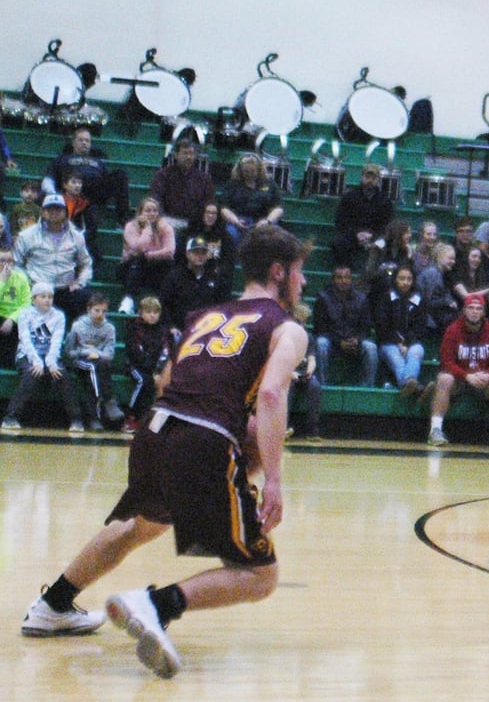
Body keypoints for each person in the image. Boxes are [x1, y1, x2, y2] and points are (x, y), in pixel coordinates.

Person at [17, 224, 308, 679]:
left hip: (155, 428)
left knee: (140, 524)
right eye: (299, 272)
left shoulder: (205, 315)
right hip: (203, 439)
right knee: (259, 575)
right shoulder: (286, 327)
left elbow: (167, 381)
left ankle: (52, 605)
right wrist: (272, 477)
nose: (303, 282)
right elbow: (271, 397)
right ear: (278, 272)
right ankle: (155, 605)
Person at [427, 293, 489, 448]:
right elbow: (447, 362)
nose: (474, 311)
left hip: (483, 382)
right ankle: (435, 431)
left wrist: (488, 375)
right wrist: (467, 376)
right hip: (459, 381)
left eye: (478, 308)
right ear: (464, 310)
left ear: (484, 312)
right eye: (471, 308)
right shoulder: (452, 330)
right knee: (444, 379)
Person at [1, 282, 81, 431]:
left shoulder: (59, 316)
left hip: (50, 355)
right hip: (26, 354)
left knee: (62, 375)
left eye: (50, 296)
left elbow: (57, 342)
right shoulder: (25, 314)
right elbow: (25, 340)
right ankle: (10, 416)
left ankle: (76, 419)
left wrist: (50, 363)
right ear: (33, 299)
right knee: (32, 373)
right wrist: (37, 361)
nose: (47, 300)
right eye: (43, 296)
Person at [13, 193, 94, 321]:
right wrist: (28, 282)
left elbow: (86, 263)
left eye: (58, 209)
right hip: (37, 288)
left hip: (66, 289)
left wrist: (80, 282)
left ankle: (75, 338)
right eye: (49, 209)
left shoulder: (76, 236)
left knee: (87, 298)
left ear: (65, 212)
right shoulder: (27, 235)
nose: (54, 212)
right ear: (43, 212)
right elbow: (16, 264)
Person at [42, 126, 129, 224]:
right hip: (73, 190)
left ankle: (123, 218)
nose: (84, 143)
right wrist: (54, 194)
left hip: (95, 192)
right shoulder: (62, 159)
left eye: (87, 141)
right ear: (73, 142)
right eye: (81, 140)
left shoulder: (98, 161)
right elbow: (49, 179)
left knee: (120, 175)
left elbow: (106, 178)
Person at [66, 292, 126, 430]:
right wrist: (86, 352)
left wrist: (97, 354)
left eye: (103, 311)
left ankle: (94, 418)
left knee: (94, 375)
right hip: (80, 361)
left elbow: (109, 355)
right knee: (94, 369)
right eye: (97, 310)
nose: (100, 314)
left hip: (99, 364)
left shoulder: (110, 328)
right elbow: (69, 353)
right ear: (88, 309)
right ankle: (109, 401)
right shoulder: (78, 326)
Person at [313, 265, 379, 387]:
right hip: (331, 341)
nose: (343, 281)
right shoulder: (323, 298)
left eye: (347, 277)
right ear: (333, 280)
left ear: (351, 279)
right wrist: (339, 342)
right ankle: (321, 386)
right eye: (339, 278)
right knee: (321, 343)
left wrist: (357, 340)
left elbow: (366, 327)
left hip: (354, 342)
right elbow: (319, 328)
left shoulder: (362, 299)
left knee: (371, 348)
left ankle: (366, 389)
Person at [372, 264, 428, 396]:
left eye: (409, 279)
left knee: (417, 352)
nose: (405, 282)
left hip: (411, 342)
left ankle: (408, 383)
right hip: (388, 343)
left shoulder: (419, 299)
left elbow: (420, 327)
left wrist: (407, 343)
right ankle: (415, 388)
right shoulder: (386, 298)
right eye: (402, 278)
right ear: (395, 279)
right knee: (397, 358)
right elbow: (382, 326)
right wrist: (398, 342)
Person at [158, 237, 229, 338]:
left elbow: (223, 304)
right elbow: (164, 304)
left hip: (208, 331)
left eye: (203, 253)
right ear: (187, 254)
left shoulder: (215, 277)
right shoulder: (174, 277)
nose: (200, 256)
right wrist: (171, 327)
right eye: (196, 252)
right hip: (180, 330)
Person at [330, 164, 395, 270]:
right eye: (367, 177)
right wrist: (356, 233)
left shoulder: (385, 201)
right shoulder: (349, 197)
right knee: (339, 243)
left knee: (388, 246)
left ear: (378, 180)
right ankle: (347, 272)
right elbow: (341, 221)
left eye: (373, 178)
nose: (370, 180)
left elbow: (387, 225)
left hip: (376, 237)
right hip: (353, 236)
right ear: (362, 177)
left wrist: (372, 235)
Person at [117, 197, 177, 314]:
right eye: (148, 210)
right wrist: (147, 228)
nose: (152, 214)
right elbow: (138, 248)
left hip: (154, 267)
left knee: (168, 264)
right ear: (140, 212)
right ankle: (128, 299)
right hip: (129, 267)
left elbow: (170, 251)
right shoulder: (130, 226)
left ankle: (162, 305)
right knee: (138, 260)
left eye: (155, 211)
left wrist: (149, 255)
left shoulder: (165, 227)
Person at [123, 296, 171, 432]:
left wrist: (158, 371)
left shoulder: (163, 331)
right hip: (135, 366)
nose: (152, 315)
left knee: (162, 383)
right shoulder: (134, 329)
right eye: (149, 312)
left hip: (155, 369)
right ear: (141, 313)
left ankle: (152, 418)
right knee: (142, 381)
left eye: (155, 312)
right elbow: (135, 353)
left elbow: (166, 352)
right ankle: (130, 416)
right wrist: (151, 371)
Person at [148, 138, 213, 232]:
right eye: (185, 153)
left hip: (195, 222)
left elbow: (209, 202)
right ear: (176, 155)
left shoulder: (204, 179)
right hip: (169, 219)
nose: (189, 157)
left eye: (191, 153)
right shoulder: (163, 175)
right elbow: (156, 199)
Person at [220, 153, 284, 245]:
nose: (249, 174)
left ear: (259, 169)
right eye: (246, 171)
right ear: (241, 170)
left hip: (264, 220)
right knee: (230, 234)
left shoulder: (270, 183)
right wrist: (235, 221)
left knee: (273, 236)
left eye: (252, 171)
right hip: (238, 220)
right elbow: (224, 208)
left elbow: (278, 208)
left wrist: (268, 221)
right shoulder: (232, 184)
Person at [179, 201, 236, 291]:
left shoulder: (225, 237)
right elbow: (180, 257)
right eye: (208, 212)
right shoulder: (187, 233)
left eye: (214, 213)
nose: (210, 216)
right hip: (190, 274)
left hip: (214, 276)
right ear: (202, 213)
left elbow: (228, 262)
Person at [287, 302, 322, 441]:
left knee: (315, 386)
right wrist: (290, 373)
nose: (301, 325)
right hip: (288, 373)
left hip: (303, 372)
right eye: (298, 321)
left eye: (304, 322)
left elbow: (312, 358)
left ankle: (312, 429)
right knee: (288, 387)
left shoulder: (308, 337)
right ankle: (283, 427)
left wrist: (309, 371)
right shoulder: (284, 336)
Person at [364, 218, 413, 302]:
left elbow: (405, 273)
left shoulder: (406, 250)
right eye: (407, 233)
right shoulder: (379, 247)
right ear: (398, 233)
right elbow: (370, 273)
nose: (410, 235)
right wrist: (387, 271)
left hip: (395, 289)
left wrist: (409, 257)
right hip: (375, 289)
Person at [416, 242, 458, 335]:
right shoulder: (432, 273)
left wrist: (450, 301)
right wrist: (447, 302)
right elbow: (426, 301)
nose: (453, 262)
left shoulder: (443, 274)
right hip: (425, 315)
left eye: (454, 259)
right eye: (450, 258)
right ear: (440, 257)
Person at [0, 247, 32, 361]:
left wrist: (12, 319)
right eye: (2, 260)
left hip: (15, 318)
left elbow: (27, 303)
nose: (6, 264)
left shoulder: (21, 278)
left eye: (9, 261)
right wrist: (2, 281)